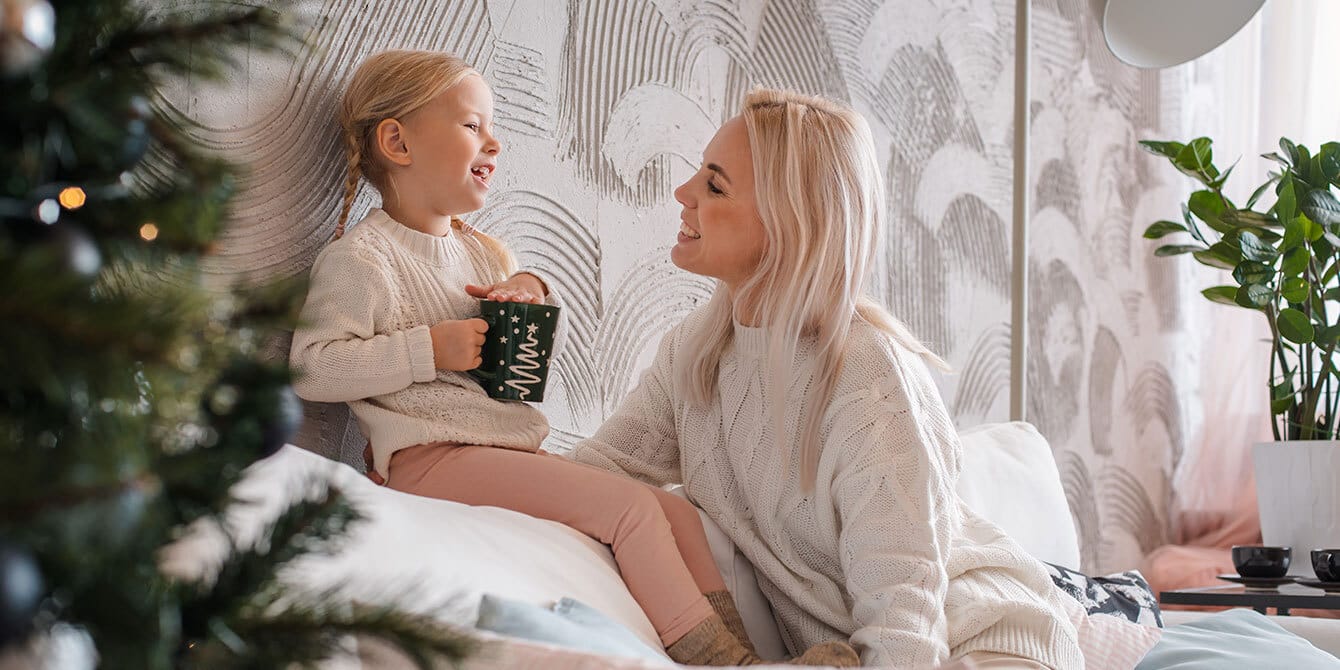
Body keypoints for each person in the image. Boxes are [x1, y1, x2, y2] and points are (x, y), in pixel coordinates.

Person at [290, 50, 856, 667]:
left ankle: (742, 652)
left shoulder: (481, 253)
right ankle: (722, 662)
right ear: (397, 142)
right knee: (633, 510)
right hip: (431, 459)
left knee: (677, 512)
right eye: (473, 125)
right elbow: (313, 366)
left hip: (502, 449)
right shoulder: (363, 259)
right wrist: (428, 349)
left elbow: (516, 348)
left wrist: (529, 289)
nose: (495, 142)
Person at [564, 89, 1085, 670]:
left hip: (984, 639)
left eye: (715, 185)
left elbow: (905, 608)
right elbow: (591, 476)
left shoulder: (868, 375)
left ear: (790, 223)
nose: (682, 193)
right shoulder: (697, 351)